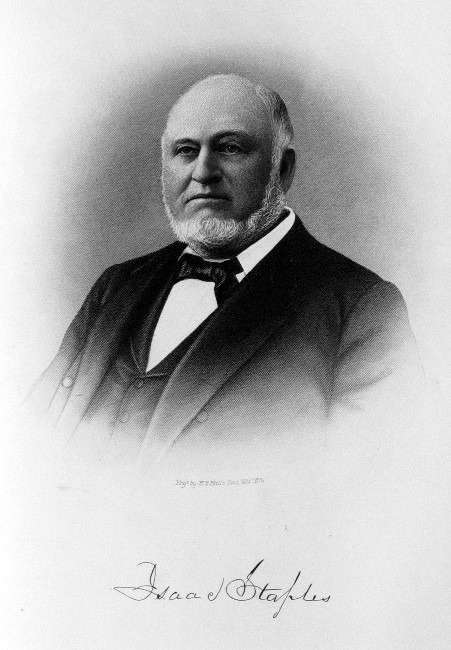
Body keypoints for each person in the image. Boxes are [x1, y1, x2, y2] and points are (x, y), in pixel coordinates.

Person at [28, 74, 423, 471]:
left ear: (282, 169)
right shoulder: (116, 285)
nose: (203, 171)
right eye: (185, 151)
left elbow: (375, 480)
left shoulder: (361, 307)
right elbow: (30, 439)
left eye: (230, 148)